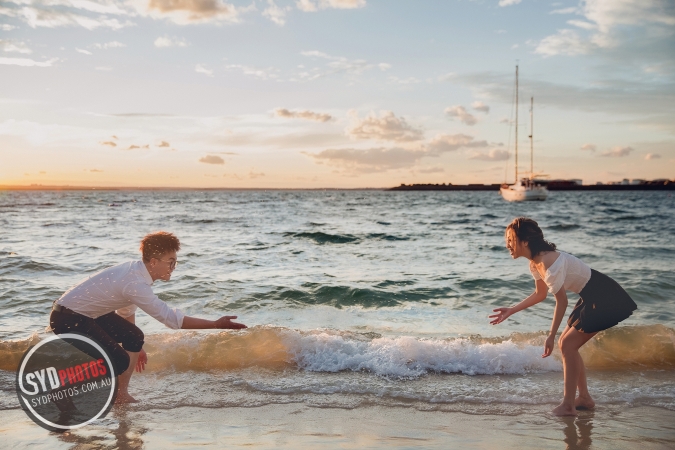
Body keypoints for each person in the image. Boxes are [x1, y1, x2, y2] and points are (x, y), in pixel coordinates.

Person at [49, 231, 247, 404]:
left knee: (134, 336)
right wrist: (215, 324)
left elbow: (126, 311)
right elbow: (170, 319)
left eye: (175, 262)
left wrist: (134, 344)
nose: (173, 267)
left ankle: (120, 395)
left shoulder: (136, 274)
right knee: (118, 361)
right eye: (171, 262)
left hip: (82, 314)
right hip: (67, 318)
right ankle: (63, 390)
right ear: (153, 262)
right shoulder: (136, 283)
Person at [489, 217, 637, 416]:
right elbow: (540, 294)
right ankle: (584, 398)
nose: (507, 244)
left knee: (567, 344)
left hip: (604, 297)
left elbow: (562, 302)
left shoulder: (549, 262)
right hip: (590, 295)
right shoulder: (535, 263)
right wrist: (512, 310)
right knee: (567, 345)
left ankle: (568, 405)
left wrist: (551, 335)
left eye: (510, 239)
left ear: (525, 241)